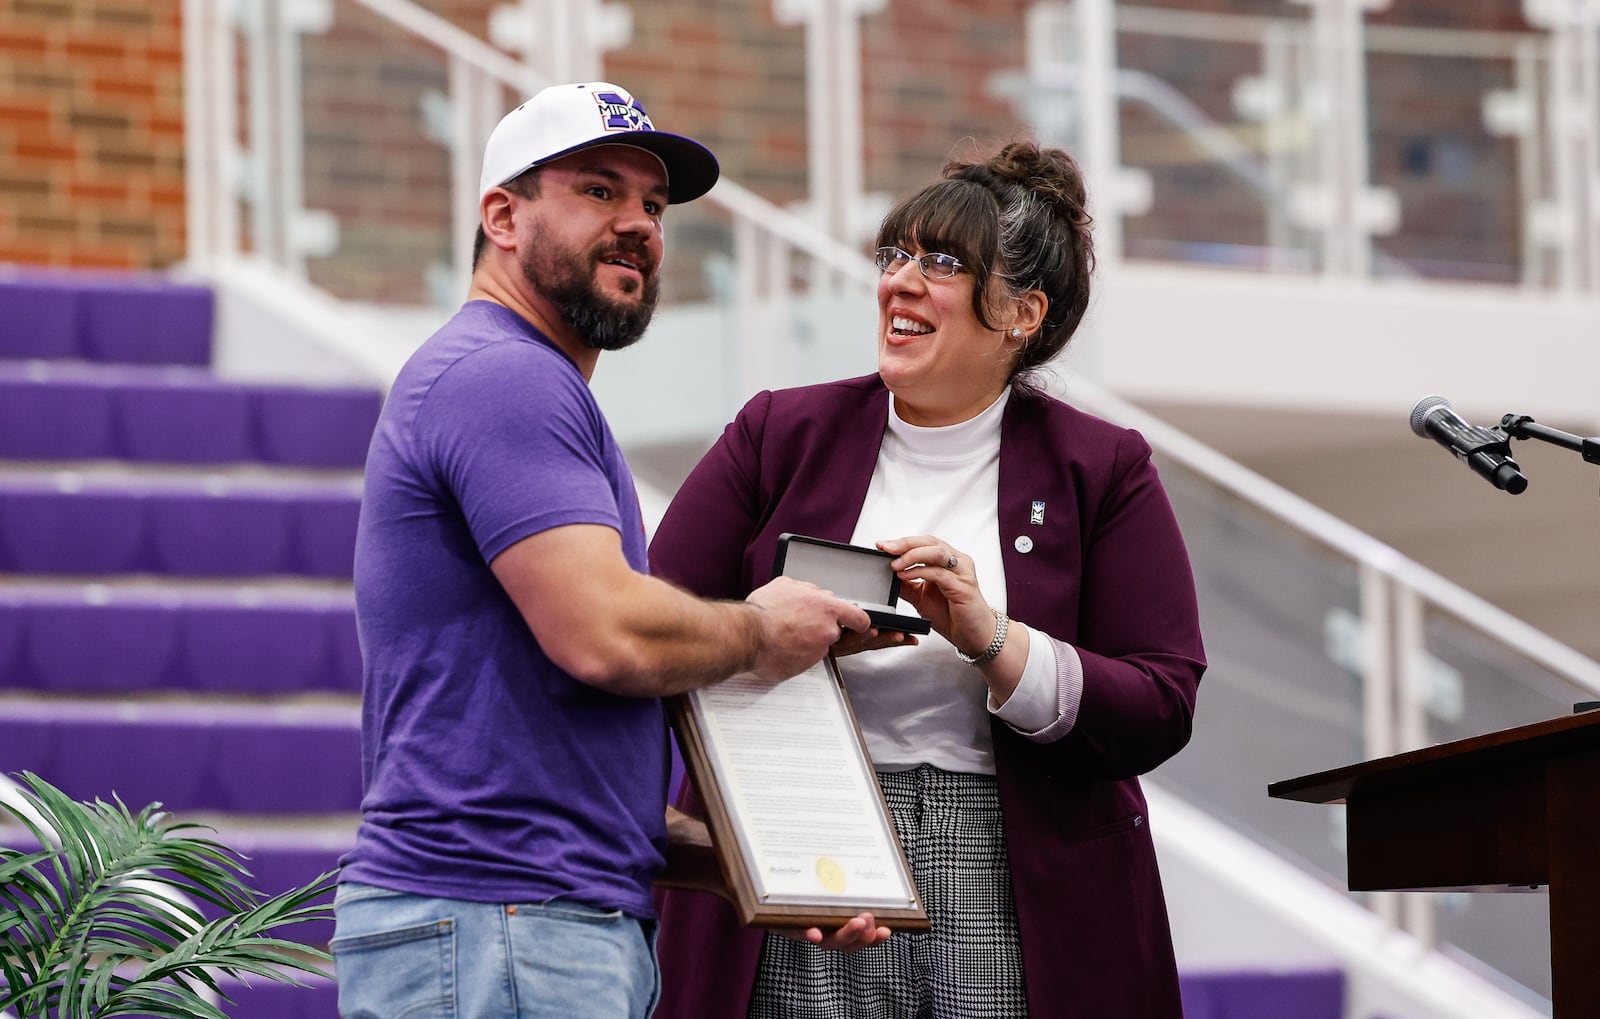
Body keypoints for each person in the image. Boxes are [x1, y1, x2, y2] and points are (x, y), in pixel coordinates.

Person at [331, 81, 889, 1019]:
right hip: (500, 928)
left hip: (511, 923)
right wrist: (762, 629)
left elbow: (547, 779)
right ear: (502, 216)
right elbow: (603, 635)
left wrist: (771, 869)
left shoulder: (513, 381)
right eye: (599, 190)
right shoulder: (505, 377)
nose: (638, 224)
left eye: (655, 206)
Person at [649, 138, 1207, 1018]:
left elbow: (1162, 699)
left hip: (1015, 865)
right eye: (894, 254)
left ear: (1024, 312)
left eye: (942, 262)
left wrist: (990, 637)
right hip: (797, 842)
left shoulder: (1103, 466)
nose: (900, 282)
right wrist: (761, 627)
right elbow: (651, 623)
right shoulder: (776, 432)